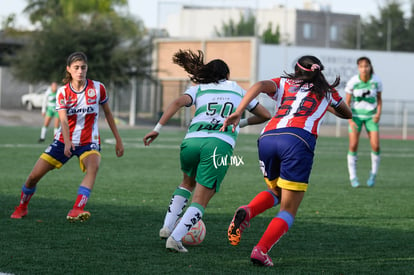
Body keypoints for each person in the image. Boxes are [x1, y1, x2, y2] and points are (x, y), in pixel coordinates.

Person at [220, 55, 352, 266]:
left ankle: (248, 210)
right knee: (288, 209)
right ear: (318, 71)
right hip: (298, 140)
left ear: (297, 70)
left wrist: (238, 112)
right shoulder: (327, 91)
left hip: (268, 137)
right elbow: (347, 114)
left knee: (278, 192)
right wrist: (326, 104)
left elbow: (259, 85)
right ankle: (260, 251)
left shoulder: (284, 83)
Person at [143, 49, 271, 253]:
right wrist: (240, 123)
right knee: (201, 199)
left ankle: (167, 228)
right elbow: (265, 114)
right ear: (227, 75)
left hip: (191, 141)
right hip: (218, 145)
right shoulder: (237, 89)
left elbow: (177, 103)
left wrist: (157, 128)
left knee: (186, 183)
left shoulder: (198, 88)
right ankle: (175, 239)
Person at [11, 51, 124, 222]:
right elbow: (63, 120)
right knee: (34, 176)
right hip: (63, 141)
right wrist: (67, 142)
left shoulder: (98, 88)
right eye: (76, 67)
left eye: (83, 67)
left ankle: (77, 209)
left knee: (93, 166)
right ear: (69, 70)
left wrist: (118, 140)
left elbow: (108, 113)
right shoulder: (63, 92)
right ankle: (22, 206)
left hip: (89, 141)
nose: (80, 71)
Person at [345, 56, 382, 188]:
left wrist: (378, 113)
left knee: (376, 146)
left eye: (366, 66)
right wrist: (350, 120)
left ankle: (373, 174)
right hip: (355, 117)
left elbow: (379, 100)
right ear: (358, 68)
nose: (364, 69)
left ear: (370, 66)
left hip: (371, 117)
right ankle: (353, 177)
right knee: (353, 145)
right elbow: (347, 103)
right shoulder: (353, 82)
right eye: (361, 66)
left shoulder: (376, 81)